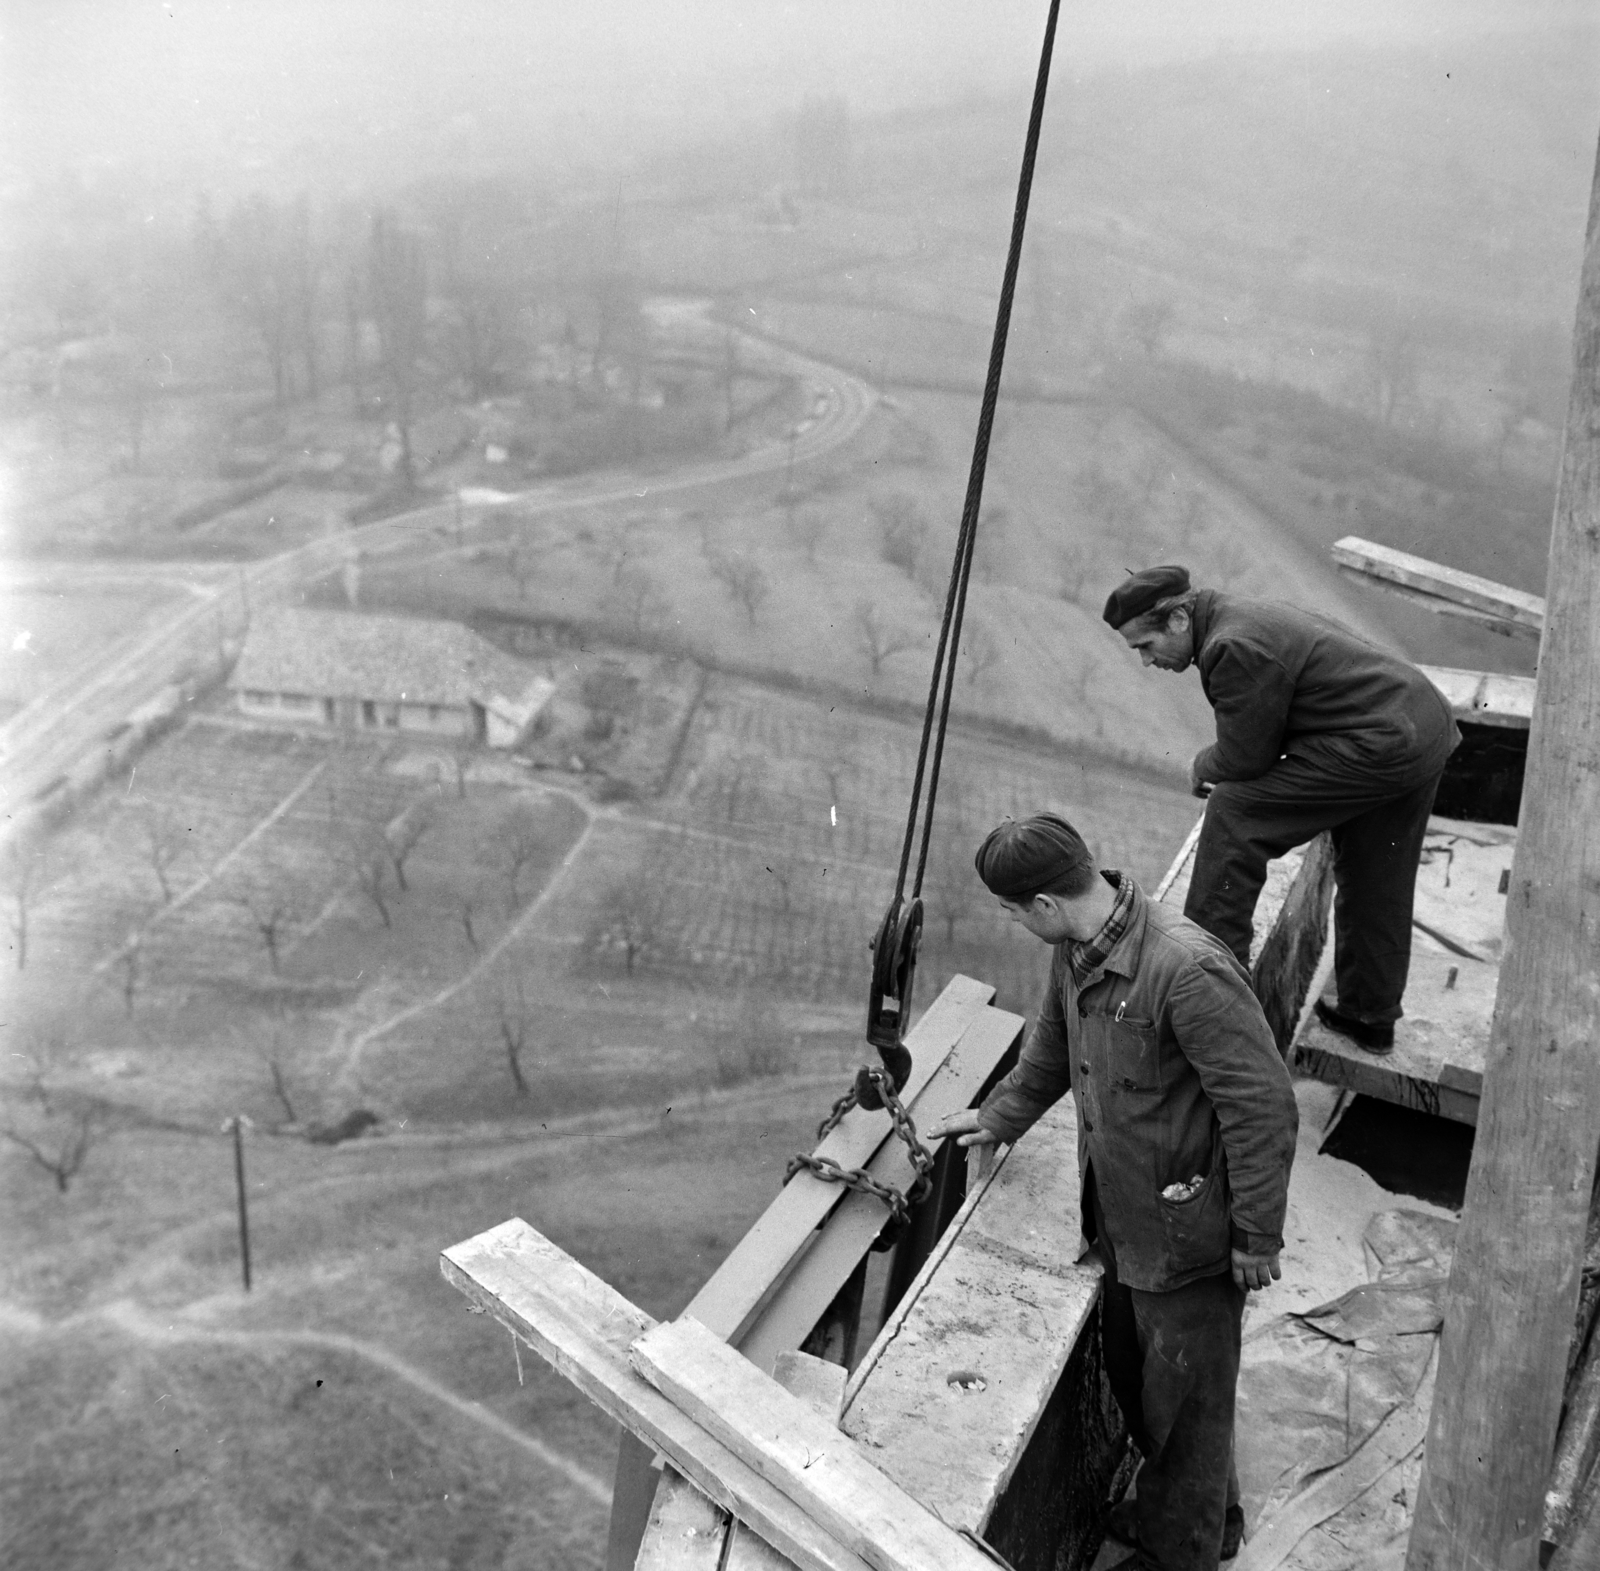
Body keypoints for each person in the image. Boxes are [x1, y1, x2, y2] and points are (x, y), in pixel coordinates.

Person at [930, 813, 1298, 1571]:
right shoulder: (1080, 948)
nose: (1013, 922)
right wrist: (999, 1113)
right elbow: (1053, 1044)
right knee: (1147, 1388)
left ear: (1042, 905)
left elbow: (1263, 1105)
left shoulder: (1183, 968)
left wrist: (1257, 1236)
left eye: (1011, 911)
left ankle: (1182, 1553)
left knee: (1187, 1412)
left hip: (1188, 1235)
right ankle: (1196, 1517)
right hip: (1126, 1225)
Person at [1104, 565, 1460, 1054]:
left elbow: (1246, 758)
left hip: (1381, 742)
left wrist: (1201, 764)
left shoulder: (1231, 646)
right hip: (1420, 727)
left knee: (1233, 813)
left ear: (1179, 620)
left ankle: (1213, 1007)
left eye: (1145, 646)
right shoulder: (1240, 617)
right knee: (1378, 872)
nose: (1146, 662)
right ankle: (1368, 1016)